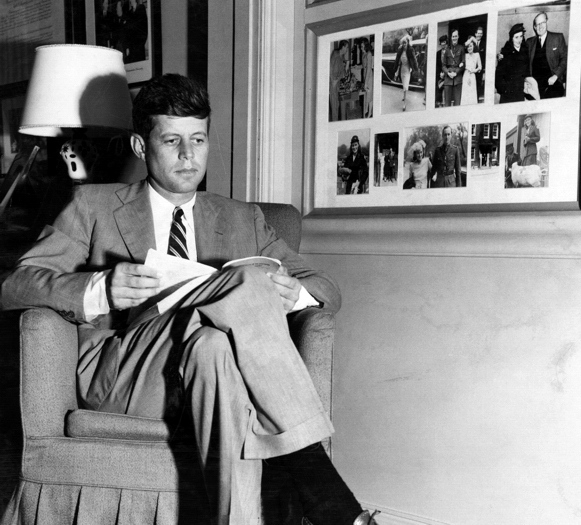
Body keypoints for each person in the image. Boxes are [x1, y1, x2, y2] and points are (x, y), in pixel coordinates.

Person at [0, 74, 379, 525]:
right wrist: (99, 289)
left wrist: (293, 293)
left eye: (198, 139)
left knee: (213, 345)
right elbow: (14, 285)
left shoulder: (242, 218)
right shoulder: (92, 206)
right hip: (129, 377)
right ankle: (318, 481)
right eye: (171, 140)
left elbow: (326, 289)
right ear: (141, 146)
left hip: (215, 373)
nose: (188, 155)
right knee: (246, 281)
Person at [527, 12, 567, 99]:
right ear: (534, 27)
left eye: (543, 23)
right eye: (538, 24)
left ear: (547, 23)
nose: (540, 26)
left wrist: (555, 76)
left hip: (554, 82)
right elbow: (520, 56)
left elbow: (564, 59)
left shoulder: (558, 38)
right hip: (535, 85)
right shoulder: (529, 42)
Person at [495, 23, 530, 104]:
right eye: (516, 37)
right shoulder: (505, 52)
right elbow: (498, 76)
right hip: (508, 95)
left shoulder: (525, 51)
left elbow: (527, 71)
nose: (519, 40)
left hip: (521, 92)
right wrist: (505, 90)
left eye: (521, 36)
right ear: (511, 38)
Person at [393, 35, 419, 112]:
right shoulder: (400, 50)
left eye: (405, 43)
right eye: (403, 43)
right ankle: (404, 96)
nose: (404, 44)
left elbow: (414, 60)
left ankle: (404, 104)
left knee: (405, 86)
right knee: (403, 85)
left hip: (407, 69)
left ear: (408, 43)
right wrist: (396, 70)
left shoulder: (410, 50)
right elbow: (397, 60)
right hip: (402, 69)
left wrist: (415, 69)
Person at [442, 29, 465, 107]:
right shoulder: (447, 49)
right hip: (448, 80)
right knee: (447, 104)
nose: (454, 38)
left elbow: (463, 64)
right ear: (451, 38)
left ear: (458, 37)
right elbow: (443, 65)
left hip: (458, 79)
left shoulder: (461, 48)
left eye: (456, 36)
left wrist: (456, 72)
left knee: (457, 104)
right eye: (453, 36)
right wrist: (448, 73)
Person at [329, 40, 348, 122]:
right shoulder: (335, 54)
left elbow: (343, 73)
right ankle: (334, 122)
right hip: (333, 82)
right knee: (334, 105)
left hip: (336, 82)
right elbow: (330, 68)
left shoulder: (341, 57)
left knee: (336, 104)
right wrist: (333, 80)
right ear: (343, 47)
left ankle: (336, 121)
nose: (347, 49)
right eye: (346, 47)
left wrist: (346, 68)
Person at [461, 37, 482, 106]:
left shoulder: (477, 55)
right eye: (468, 47)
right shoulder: (465, 55)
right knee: (466, 94)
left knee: (472, 93)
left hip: (472, 75)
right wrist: (470, 39)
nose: (469, 48)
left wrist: (474, 70)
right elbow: (463, 46)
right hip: (466, 75)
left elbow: (480, 67)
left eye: (470, 46)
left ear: (473, 46)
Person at [360, 39, 373, 118]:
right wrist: (357, 66)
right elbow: (363, 66)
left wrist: (366, 83)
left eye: (362, 46)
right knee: (366, 95)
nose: (361, 48)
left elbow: (368, 69)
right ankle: (366, 111)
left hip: (369, 77)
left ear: (366, 46)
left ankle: (370, 113)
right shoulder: (364, 54)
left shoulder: (369, 54)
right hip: (364, 75)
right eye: (361, 46)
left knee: (369, 96)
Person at [473, 26, 486, 101]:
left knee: (478, 85)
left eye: (481, 33)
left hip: (480, 70)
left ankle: (477, 100)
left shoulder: (484, 44)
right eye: (478, 33)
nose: (479, 35)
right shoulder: (471, 43)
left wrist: (483, 70)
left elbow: (484, 58)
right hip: (472, 68)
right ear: (475, 34)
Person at [435, 35, 447, 107]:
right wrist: (440, 73)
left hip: (447, 74)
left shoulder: (449, 51)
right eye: (441, 42)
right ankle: (439, 103)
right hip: (440, 74)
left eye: (444, 42)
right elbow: (437, 65)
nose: (443, 44)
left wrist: (445, 73)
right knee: (439, 88)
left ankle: (445, 104)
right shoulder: (438, 53)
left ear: (446, 42)